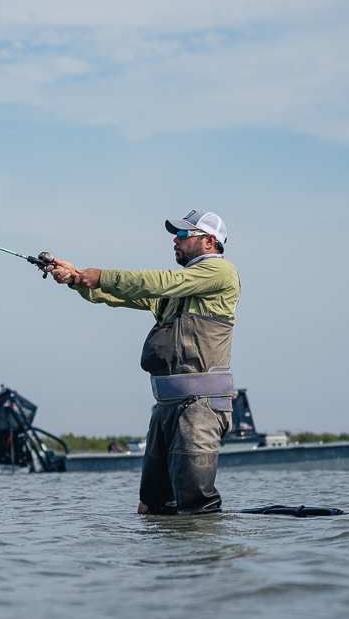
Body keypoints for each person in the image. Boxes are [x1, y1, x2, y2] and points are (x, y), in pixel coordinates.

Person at [47, 210, 241, 515]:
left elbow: (162, 282)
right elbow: (121, 294)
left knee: (195, 506)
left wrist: (101, 274)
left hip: (200, 409)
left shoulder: (221, 271)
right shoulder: (177, 292)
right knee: (150, 506)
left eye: (183, 235)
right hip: (166, 409)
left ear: (209, 241)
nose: (175, 241)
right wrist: (76, 279)